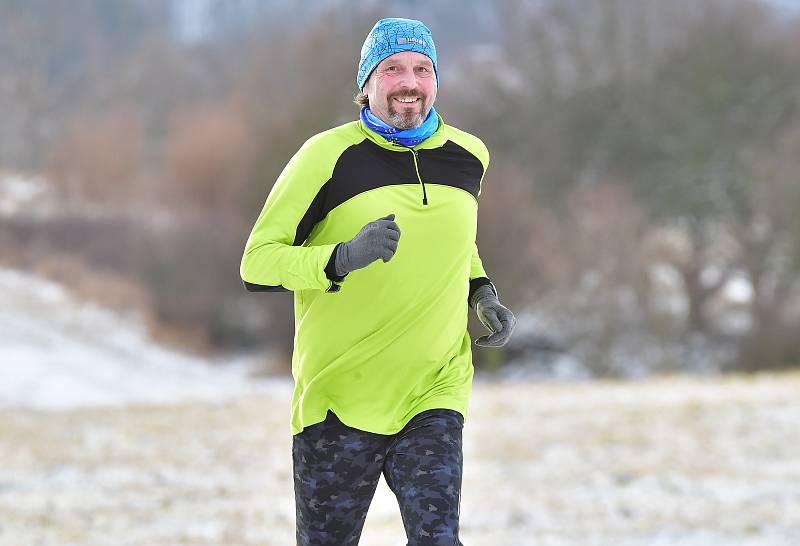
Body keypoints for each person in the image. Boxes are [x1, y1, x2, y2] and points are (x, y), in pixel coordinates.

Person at [240, 17, 517, 546]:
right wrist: (341, 258)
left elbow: (456, 238)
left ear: (436, 80)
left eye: (421, 68)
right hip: (340, 399)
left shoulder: (469, 156)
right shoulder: (327, 156)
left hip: (433, 387)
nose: (408, 81)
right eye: (392, 69)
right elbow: (257, 262)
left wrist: (482, 293)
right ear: (366, 84)